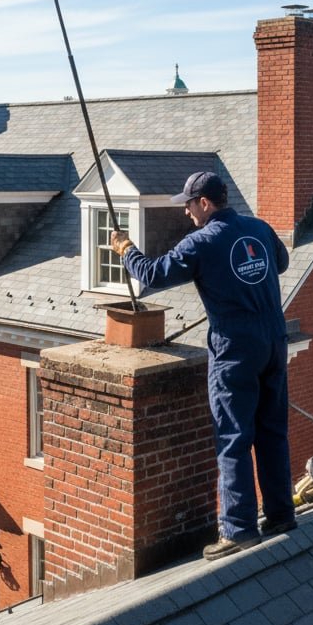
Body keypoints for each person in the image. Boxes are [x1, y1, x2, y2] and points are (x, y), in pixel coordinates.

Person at [110, 171, 297, 560]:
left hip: (236, 350)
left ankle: (240, 529)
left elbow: (152, 274)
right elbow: (279, 262)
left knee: (233, 437)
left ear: (206, 203)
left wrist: (126, 249)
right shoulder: (257, 228)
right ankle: (280, 516)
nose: (187, 212)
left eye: (189, 204)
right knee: (272, 432)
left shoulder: (202, 241)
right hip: (274, 342)